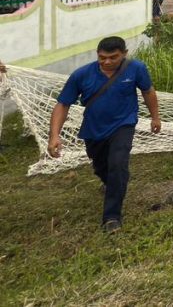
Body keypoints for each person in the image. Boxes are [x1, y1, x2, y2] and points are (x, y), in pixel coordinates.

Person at [48, 36, 161, 232]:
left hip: (123, 124)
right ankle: (113, 183)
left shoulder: (136, 68)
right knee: (102, 167)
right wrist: (54, 135)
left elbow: (148, 91)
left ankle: (111, 217)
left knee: (117, 164)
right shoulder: (81, 75)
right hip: (94, 130)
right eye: (102, 58)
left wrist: (155, 117)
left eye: (113, 57)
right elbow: (63, 104)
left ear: (124, 54)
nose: (107, 62)